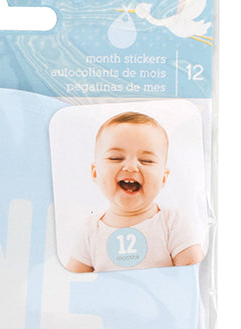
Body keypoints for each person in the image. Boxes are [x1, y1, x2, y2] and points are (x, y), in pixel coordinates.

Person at [66, 112, 204, 273]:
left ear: (163, 178)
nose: (131, 167)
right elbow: (71, 281)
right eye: (115, 158)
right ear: (95, 172)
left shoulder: (172, 223)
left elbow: (196, 274)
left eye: (146, 160)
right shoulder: (90, 230)